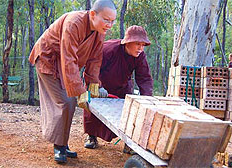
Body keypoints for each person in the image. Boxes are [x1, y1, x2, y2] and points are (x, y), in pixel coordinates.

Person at [28, 0, 117, 164]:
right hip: (48, 60)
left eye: (112, 21)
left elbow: (95, 59)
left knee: (69, 102)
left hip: (65, 65)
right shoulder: (73, 22)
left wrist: (93, 84)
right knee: (65, 101)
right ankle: (59, 146)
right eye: (106, 20)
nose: (109, 25)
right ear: (93, 14)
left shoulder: (99, 31)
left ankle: (62, 143)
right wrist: (80, 90)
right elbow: (68, 58)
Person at [83, 25, 153, 151]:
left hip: (122, 87)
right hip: (101, 85)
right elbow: (92, 67)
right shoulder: (108, 49)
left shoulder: (140, 56)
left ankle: (129, 142)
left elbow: (144, 78)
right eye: (137, 44)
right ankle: (91, 136)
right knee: (92, 110)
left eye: (143, 45)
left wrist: (146, 99)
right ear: (128, 42)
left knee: (128, 113)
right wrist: (97, 86)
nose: (140, 48)